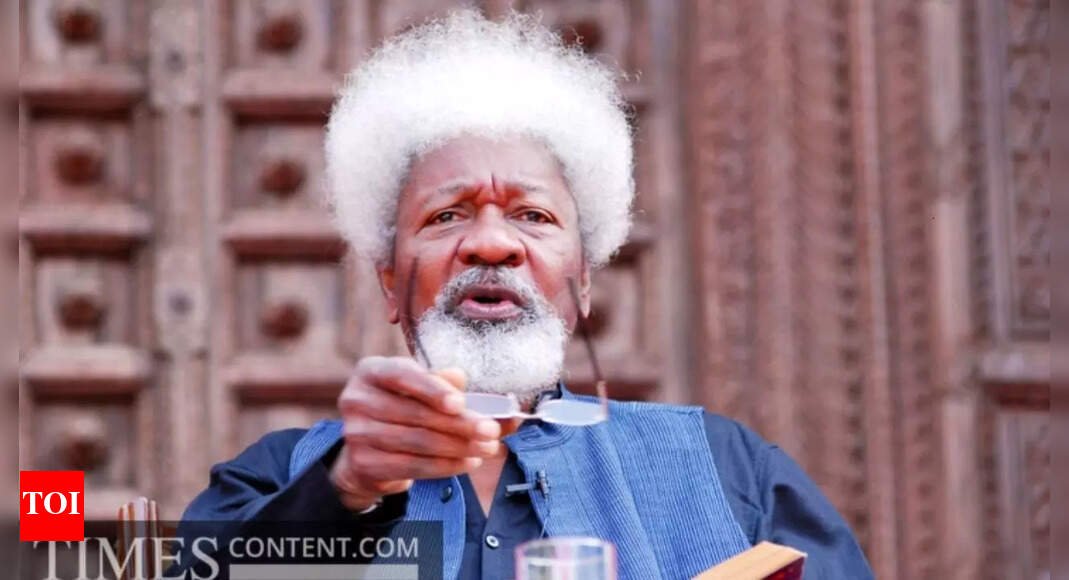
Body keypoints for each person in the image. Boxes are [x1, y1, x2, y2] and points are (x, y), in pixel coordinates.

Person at [179, 10, 874, 579]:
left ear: (584, 279)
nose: (491, 243)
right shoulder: (279, 477)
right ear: (390, 281)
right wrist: (345, 491)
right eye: (446, 216)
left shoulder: (730, 473)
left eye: (533, 216)